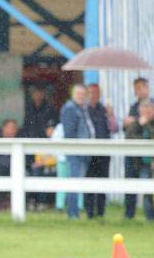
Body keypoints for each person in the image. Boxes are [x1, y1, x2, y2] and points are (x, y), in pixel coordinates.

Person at [60, 84, 95, 219]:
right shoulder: (70, 108)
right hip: (75, 152)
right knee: (74, 182)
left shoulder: (81, 109)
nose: (81, 96)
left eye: (83, 94)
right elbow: (69, 133)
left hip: (83, 152)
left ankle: (75, 213)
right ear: (72, 94)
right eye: (78, 93)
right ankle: (72, 214)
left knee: (78, 183)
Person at [84, 83, 118, 218]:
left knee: (103, 182)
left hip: (103, 152)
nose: (94, 96)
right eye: (92, 93)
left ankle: (101, 212)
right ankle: (90, 213)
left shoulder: (105, 110)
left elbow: (115, 129)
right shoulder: (84, 111)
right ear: (88, 94)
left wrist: (111, 116)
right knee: (89, 183)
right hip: (89, 153)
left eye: (97, 93)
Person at [123, 77, 153, 220]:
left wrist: (145, 123)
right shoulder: (134, 106)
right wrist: (133, 122)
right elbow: (129, 134)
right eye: (136, 88)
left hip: (148, 157)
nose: (138, 90)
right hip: (134, 155)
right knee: (130, 184)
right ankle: (129, 214)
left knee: (148, 187)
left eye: (141, 87)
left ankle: (149, 216)